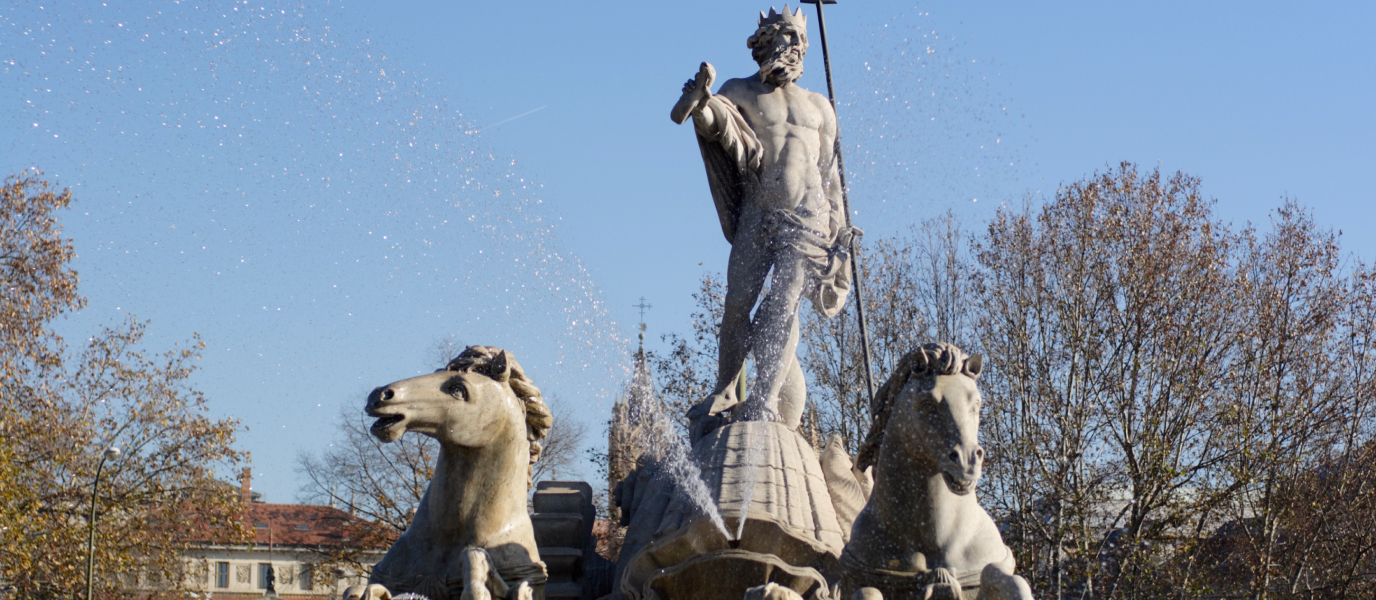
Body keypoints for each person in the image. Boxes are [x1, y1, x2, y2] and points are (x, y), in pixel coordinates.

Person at [673, 5, 857, 441]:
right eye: (782, 40)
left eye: (796, 42)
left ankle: (765, 399)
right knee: (738, 303)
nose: (790, 50)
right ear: (763, 45)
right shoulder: (741, 91)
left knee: (783, 304)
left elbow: (830, 175)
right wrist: (699, 101)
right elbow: (716, 121)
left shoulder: (820, 107)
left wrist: (842, 231)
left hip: (809, 220)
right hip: (759, 210)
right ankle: (724, 392)